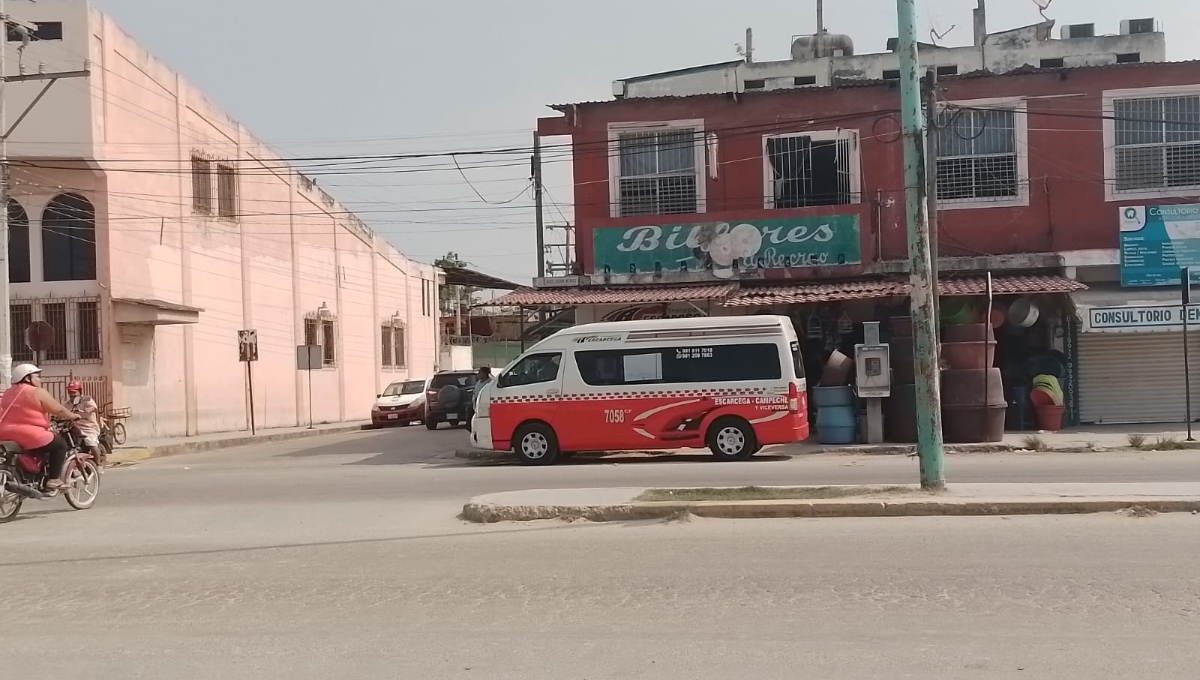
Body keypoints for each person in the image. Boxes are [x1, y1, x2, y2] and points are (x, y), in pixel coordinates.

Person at [0, 364, 82, 491]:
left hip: (4, 433)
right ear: (27, 378)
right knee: (60, 444)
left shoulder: (8, 392)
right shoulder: (36, 392)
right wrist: (73, 415)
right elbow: (58, 410)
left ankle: (31, 475)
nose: (40, 380)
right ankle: (53, 479)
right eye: (37, 376)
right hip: (28, 434)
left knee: (37, 447)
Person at [66, 380, 104, 467]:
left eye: (74, 392)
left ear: (80, 391)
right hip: (75, 427)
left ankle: (98, 465)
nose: (71, 394)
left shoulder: (87, 399)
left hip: (89, 427)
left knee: (91, 442)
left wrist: (87, 410)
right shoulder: (67, 403)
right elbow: (62, 411)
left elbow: (93, 407)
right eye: (69, 391)